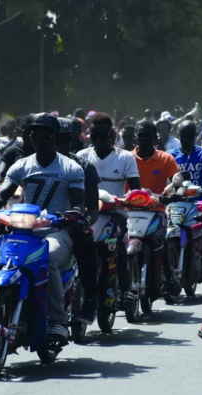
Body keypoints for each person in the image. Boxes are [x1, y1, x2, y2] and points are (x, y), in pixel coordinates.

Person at [0, 113, 86, 343]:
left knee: (47, 256)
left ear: (56, 137)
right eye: (36, 135)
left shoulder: (71, 168)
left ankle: (59, 322)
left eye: (47, 135)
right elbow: (2, 193)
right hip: (23, 231)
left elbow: (78, 204)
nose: (41, 139)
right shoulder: (20, 165)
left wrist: (72, 216)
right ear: (29, 137)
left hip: (56, 232)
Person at [78, 113, 141, 311]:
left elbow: (136, 189)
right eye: (93, 136)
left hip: (116, 214)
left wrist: (130, 200)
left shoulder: (125, 158)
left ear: (112, 135)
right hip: (89, 214)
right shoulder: (82, 157)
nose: (98, 141)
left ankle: (124, 289)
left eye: (102, 136)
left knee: (119, 242)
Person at [54, 117, 101, 325]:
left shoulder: (83, 167)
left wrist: (84, 221)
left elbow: (92, 208)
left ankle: (91, 300)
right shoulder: (29, 163)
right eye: (55, 139)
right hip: (35, 226)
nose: (59, 144)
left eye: (65, 139)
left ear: (72, 140)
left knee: (86, 239)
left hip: (68, 226)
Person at [132, 120, 181, 296]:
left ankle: (168, 276)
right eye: (140, 136)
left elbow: (176, 180)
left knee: (160, 238)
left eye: (147, 136)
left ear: (155, 138)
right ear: (135, 138)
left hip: (156, 211)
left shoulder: (166, 158)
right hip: (129, 211)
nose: (143, 140)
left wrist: (167, 192)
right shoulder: (127, 158)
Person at [168, 121, 202, 187]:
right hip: (177, 196)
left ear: (195, 135)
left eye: (190, 136)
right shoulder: (170, 156)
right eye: (184, 136)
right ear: (178, 136)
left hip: (200, 196)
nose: (186, 140)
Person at [0, 115, 34, 185]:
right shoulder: (1, 139)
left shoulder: (20, 140)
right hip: (3, 165)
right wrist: (12, 140)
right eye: (10, 128)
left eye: (14, 128)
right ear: (7, 128)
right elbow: (1, 151)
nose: (12, 130)